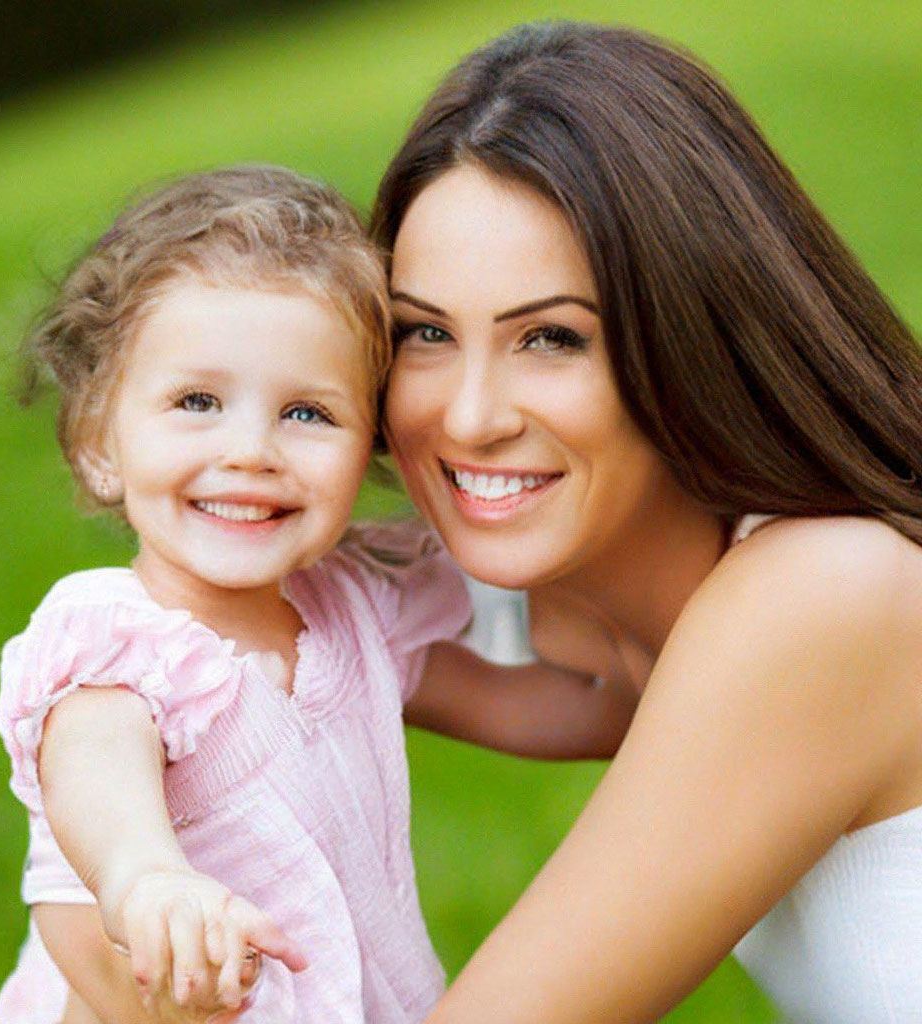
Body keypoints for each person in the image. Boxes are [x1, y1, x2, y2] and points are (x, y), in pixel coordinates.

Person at [0, 164, 635, 1024]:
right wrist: (145, 880)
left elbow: (532, 707)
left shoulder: (350, 615)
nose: (251, 451)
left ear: (367, 445)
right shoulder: (115, 639)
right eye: (197, 401)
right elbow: (94, 768)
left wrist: (665, 698)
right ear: (99, 446)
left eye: (307, 414)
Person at [371, 21, 922, 1024]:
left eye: (551, 337)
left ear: (692, 328)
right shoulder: (611, 606)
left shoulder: (828, 592)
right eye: (425, 332)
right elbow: (268, 609)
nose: (470, 416)